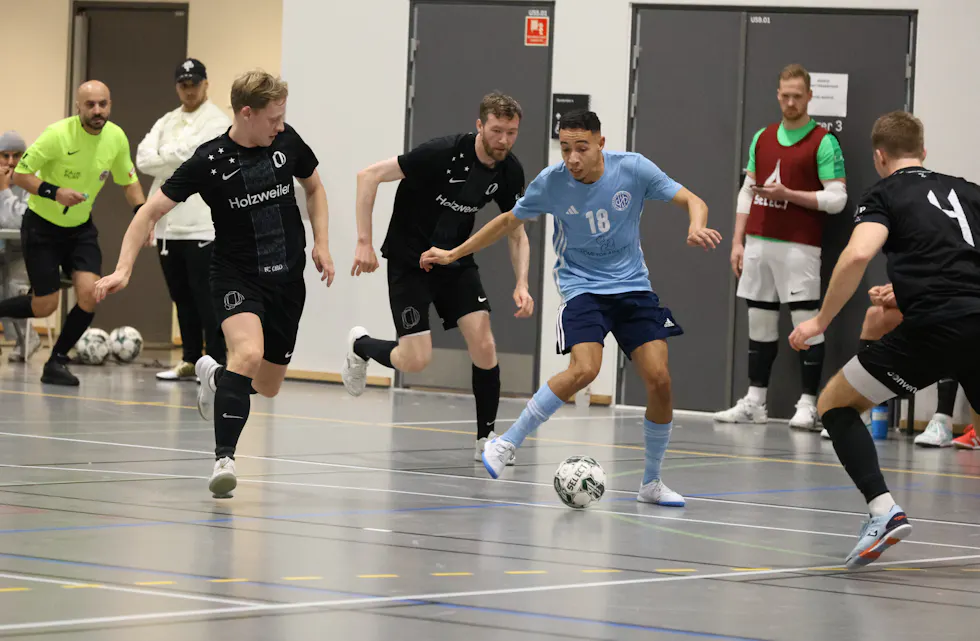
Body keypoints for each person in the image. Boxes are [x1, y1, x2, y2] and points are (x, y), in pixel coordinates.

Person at [421, 110, 721, 506]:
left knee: (660, 380)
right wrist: (454, 253)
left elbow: (691, 199)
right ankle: (507, 443)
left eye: (581, 148)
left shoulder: (632, 170)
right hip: (582, 288)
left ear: (601, 143)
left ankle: (651, 482)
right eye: (565, 149)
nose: (573, 158)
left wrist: (695, 224)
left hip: (632, 289)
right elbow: (507, 222)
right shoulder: (552, 183)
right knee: (585, 369)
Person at [95, 70, 335, 498]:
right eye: (273, 118)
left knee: (267, 385)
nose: (280, 126)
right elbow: (148, 213)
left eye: (283, 118)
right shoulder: (209, 160)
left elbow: (314, 188)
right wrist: (123, 269)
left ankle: (215, 377)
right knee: (248, 353)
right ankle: (224, 459)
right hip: (235, 275)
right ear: (247, 113)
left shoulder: (287, 141)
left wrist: (322, 243)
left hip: (286, 279)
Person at [789, 110, 980, 568]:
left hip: (937, 327)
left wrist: (820, 321)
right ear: (924, 151)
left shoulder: (885, 192)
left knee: (834, 404)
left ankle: (883, 512)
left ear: (879, 156)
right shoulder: (969, 192)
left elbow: (857, 253)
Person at [342, 92, 533, 462]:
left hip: (454, 260)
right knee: (415, 360)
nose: (504, 141)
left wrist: (522, 282)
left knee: (485, 344)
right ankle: (361, 345)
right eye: (496, 131)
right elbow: (369, 176)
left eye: (512, 132)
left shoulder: (510, 171)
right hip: (409, 261)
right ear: (479, 126)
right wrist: (363, 241)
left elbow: (516, 231)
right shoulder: (441, 153)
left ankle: (486, 440)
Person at [716, 63, 848, 430]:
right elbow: (748, 189)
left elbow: (837, 198)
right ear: (778, 95)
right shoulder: (763, 136)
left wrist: (788, 194)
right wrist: (737, 240)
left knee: (807, 324)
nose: (790, 102)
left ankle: (808, 405)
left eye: (797, 96)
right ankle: (755, 401)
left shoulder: (823, 141)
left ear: (809, 96)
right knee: (758, 323)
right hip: (758, 242)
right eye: (785, 95)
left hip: (799, 245)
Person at [1, 81, 146, 386]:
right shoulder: (57, 135)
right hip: (41, 225)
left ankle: (56, 361)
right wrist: (55, 192)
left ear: (110, 105)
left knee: (91, 294)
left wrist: (143, 215)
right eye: (90, 104)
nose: (97, 110)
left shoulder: (116, 137)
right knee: (45, 305)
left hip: (80, 229)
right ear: (78, 107)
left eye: (102, 104)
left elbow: (128, 181)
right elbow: (21, 175)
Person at [137, 58, 230, 381]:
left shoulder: (217, 121)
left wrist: (167, 158)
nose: (189, 91)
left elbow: (198, 156)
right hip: (167, 226)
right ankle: (190, 358)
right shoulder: (167, 120)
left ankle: (217, 362)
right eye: (183, 85)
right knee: (182, 297)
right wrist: (172, 157)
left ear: (206, 84)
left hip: (202, 225)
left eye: (194, 84)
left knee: (207, 298)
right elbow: (143, 158)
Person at [835, 282, 963, 447]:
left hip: (955, 306)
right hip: (927, 303)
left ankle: (943, 421)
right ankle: (861, 412)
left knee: (949, 317)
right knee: (874, 315)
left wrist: (908, 295)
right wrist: (886, 292)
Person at [0, 131, 41, 363]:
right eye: (4, 155)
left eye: (17, 155)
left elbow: (18, 222)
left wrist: (4, 190)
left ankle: (27, 338)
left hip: (24, 252)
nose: (10, 162)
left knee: (13, 286)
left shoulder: (31, 184)